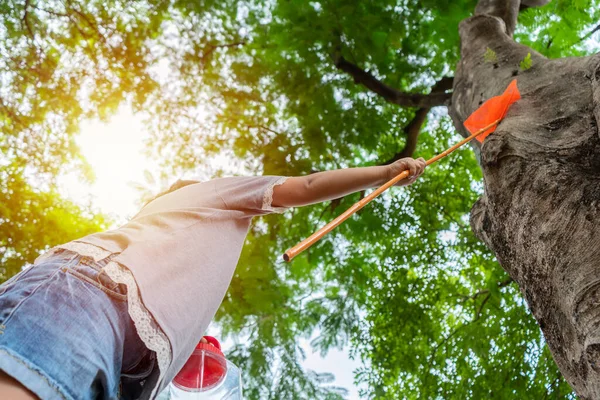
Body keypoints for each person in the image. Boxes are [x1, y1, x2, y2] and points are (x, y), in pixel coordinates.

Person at [0, 157, 426, 400]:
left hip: (129, 360)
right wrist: (385, 172)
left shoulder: (187, 247)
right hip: (93, 293)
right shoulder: (215, 194)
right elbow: (309, 185)